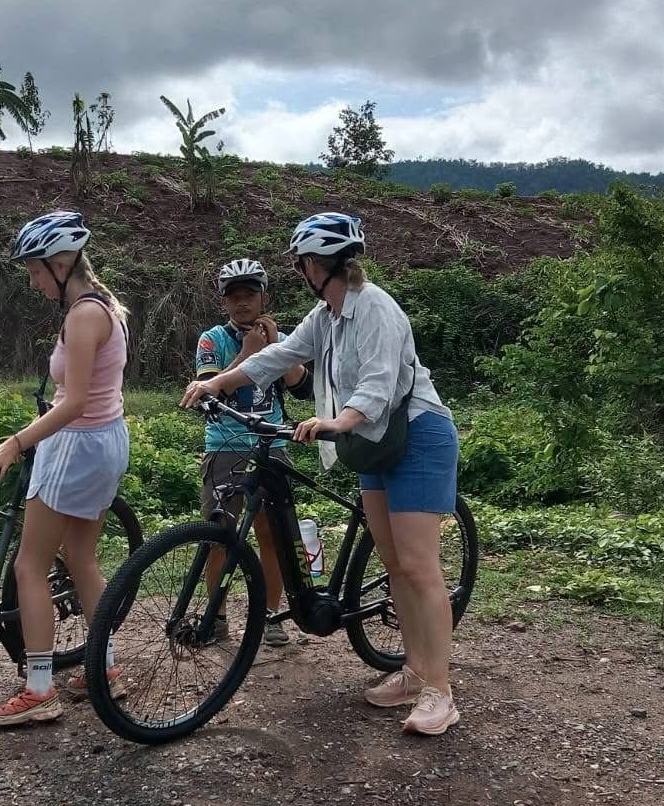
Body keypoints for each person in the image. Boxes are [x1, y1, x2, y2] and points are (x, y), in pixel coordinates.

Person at [181, 212, 463, 736]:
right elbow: (279, 356)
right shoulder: (326, 315)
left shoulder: (375, 307)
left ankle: (440, 692)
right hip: (371, 441)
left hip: (417, 434)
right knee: (396, 565)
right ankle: (414, 671)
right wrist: (216, 383)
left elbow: (379, 384)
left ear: (316, 264)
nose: (301, 270)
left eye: (302, 262)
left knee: (420, 565)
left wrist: (339, 420)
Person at [0, 210, 130, 727]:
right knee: (82, 558)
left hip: (77, 445)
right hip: (105, 441)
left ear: (63, 263)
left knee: (29, 567)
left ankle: (39, 687)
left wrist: (16, 443)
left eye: (37, 269)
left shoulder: (84, 316)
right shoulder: (106, 307)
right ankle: (103, 668)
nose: (32, 279)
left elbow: (75, 402)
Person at [194, 259, 312, 648]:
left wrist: (278, 348)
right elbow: (210, 390)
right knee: (218, 534)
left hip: (272, 444)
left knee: (272, 534)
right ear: (225, 302)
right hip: (224, 446)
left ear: (264, 297)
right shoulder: (211, 339)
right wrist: (247, 352)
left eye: (249, 295)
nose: (242, 303)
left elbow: (302, 388)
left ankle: (272, 615)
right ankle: (218, 616)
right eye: (234, 297)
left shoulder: (286, 337)